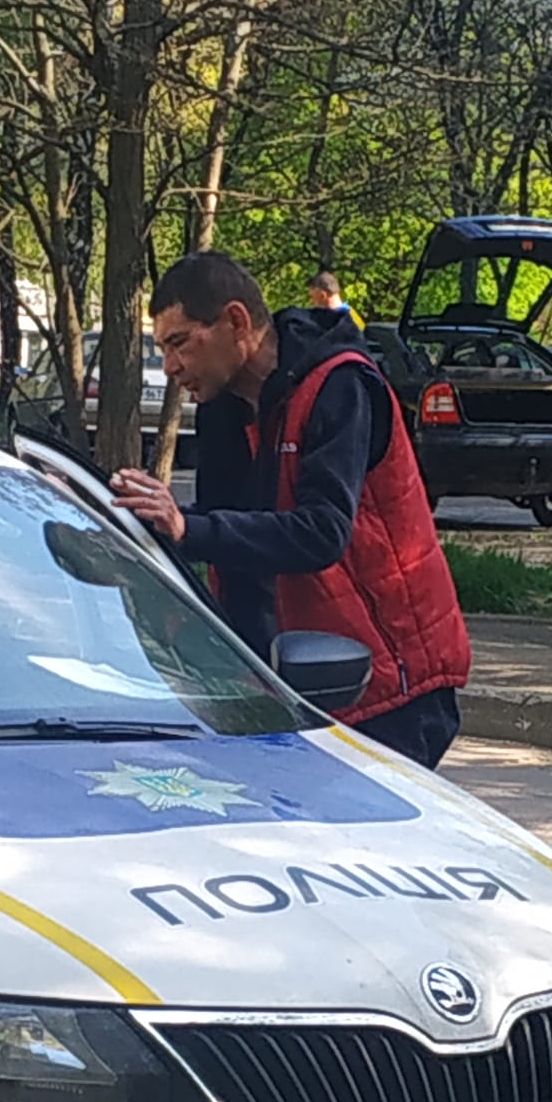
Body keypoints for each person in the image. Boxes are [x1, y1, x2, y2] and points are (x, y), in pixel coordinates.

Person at [110, 252, 469, 769]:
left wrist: (188, 526)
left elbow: (323, 533)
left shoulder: (341, 385)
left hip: (389, 690)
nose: (170, 368)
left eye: (179, 342)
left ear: (235, 322)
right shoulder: (223, 409)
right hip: (289, 686)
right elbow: (226, 546)